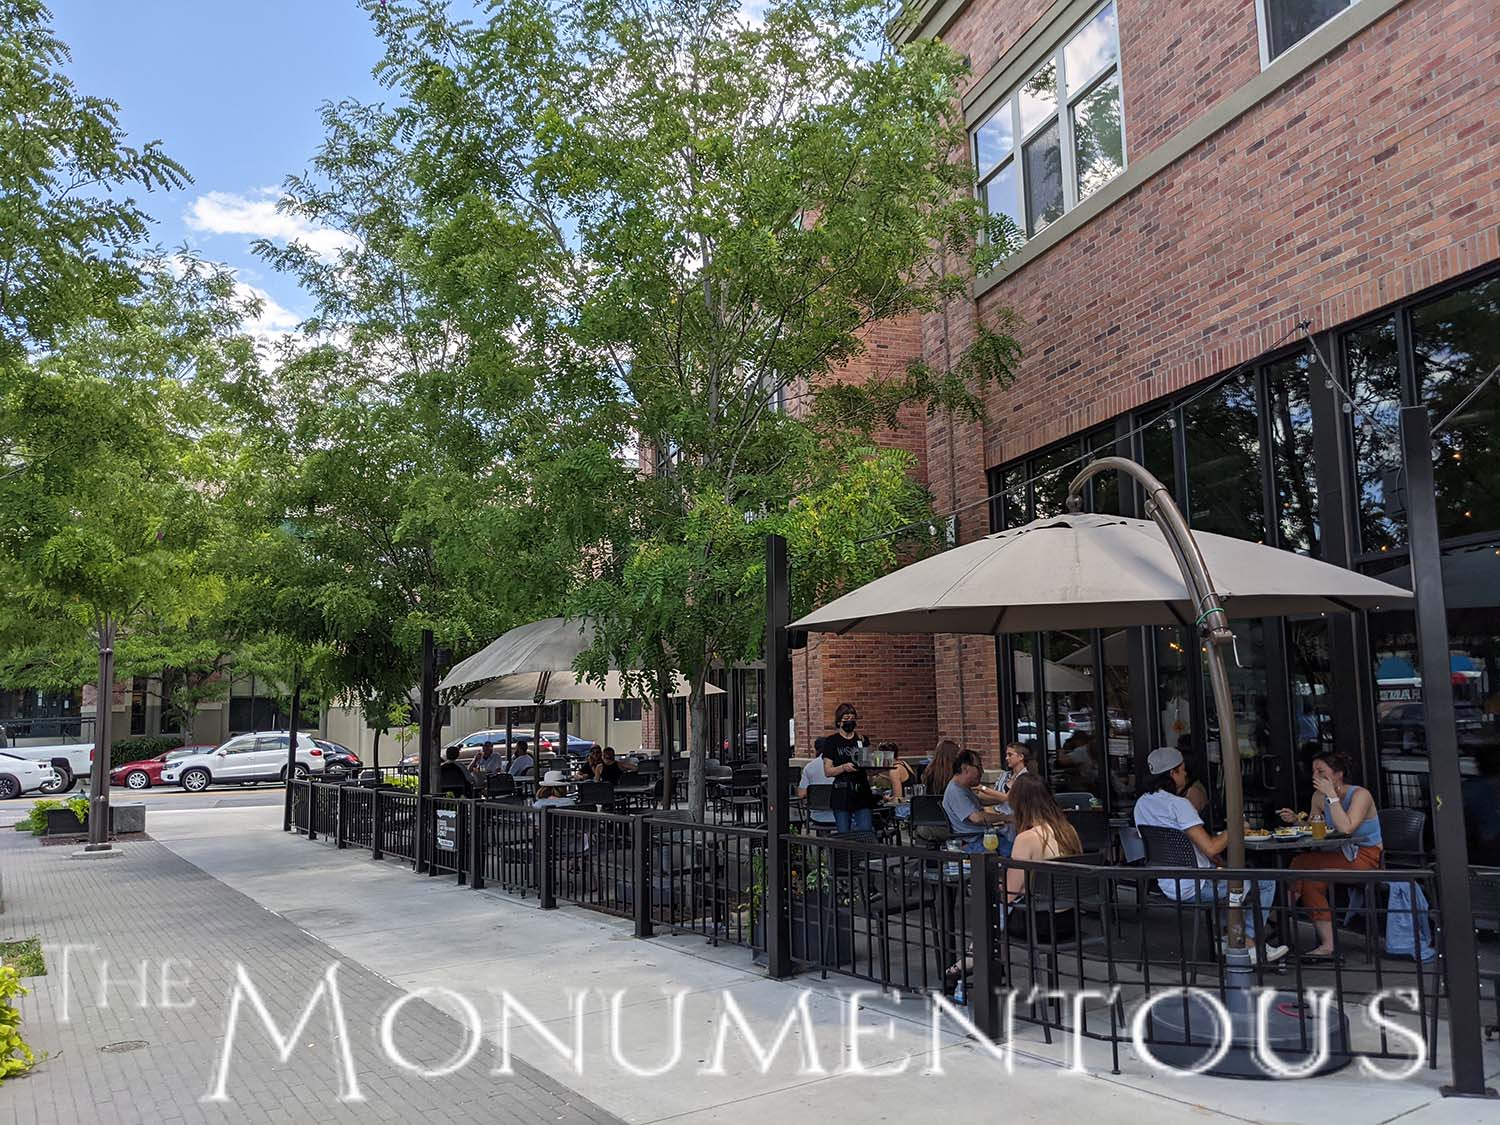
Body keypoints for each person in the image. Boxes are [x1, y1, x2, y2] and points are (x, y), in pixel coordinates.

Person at [1135, 746, 1287, 963]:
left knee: (1229, 876)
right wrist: (1235, 827)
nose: (1186, 774)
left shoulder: (1141, 804)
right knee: (1264, 881)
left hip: (1167, 882)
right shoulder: (1179, 805)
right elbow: (1212, 848)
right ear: (1172, 773)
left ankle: (1228, 937)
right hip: (1195, 884)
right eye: (1182, 770)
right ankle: (1248, 944)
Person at [1279, 750, 1384, 959]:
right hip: (1336, 853)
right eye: (1313, 771)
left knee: (1302, 867)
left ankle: (1279, 913)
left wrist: (1333, 797)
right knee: (1307, 874)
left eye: (1321, 771)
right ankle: (1327, 946)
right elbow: (1313, 828)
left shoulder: (1360, 795)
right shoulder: (1318, 797)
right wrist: (1296, 822)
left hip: (1364, 856)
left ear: (1339, 774)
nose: (1315, 776)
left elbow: (1346, 828)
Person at [1004, 774, 1082, 942]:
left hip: (1037, 922)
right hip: (1069, 919)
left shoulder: (1026, 839)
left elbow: (1009, 894)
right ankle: (973, 958)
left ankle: (975, 959)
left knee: (992, 908)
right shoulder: (1069, 831)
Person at [818, 702, 877, 833]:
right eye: (846, 719)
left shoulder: (861, 739)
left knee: (865, 830)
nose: (850, 721)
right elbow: (828, 771)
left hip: (861, 791)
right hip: (842, 791)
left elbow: (868, 764)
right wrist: (843, 767)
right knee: (844, 832)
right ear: (839, 722)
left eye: (852, 718)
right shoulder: (832, 741)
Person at [942, 749, 1009, 851]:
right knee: (1015, 853)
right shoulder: (955, 791)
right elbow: (977, 818)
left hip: (981, 838)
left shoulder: (963, 788)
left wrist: (1004, 800)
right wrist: (1005, 817)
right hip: (975, 842)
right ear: (965, 768)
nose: (981, 771)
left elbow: (979, 802)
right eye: (978, 767)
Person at [797, 752, 837, 831]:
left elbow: (801, 794)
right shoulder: (842, 766)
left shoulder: (809, 767)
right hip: (840, 817)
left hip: (816, 817)